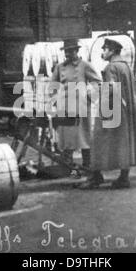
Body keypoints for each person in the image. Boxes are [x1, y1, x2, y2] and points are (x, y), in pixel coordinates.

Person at [80, 38, 136, 189]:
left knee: (98, 140)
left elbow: (112, 89)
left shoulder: (110, 68)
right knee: (124, 142)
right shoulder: (125, 66)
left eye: (105, 49)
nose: (103, 52)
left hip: (114, 108)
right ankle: (123, 177)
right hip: (129, 109)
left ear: (112, 51)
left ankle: (96, 176)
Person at [51, 38, 102, 177]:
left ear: (77, 50)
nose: (68, 54)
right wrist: (56, 101)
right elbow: (52, 87)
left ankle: (87, 167)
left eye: (71, 50)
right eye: (66, 51)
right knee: (67, 139)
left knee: (84, 138)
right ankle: (69, 169)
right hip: (65, 108)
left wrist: (90, 98)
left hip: (81, 107)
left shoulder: (85, 65)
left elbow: (98, 82)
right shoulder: (59, 67)